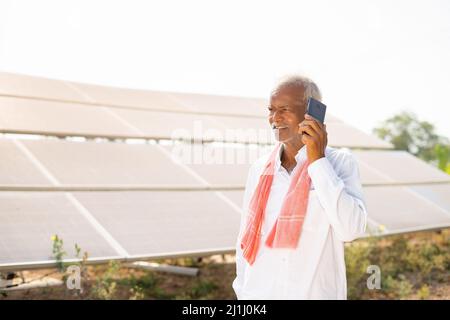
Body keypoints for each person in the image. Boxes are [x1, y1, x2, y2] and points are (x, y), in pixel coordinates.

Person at [232, 75, 368, 299]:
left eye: (284, 109)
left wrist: (317, 161)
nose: (274, 118)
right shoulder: (259, 169)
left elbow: (350, 230)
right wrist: (243, 294)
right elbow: (243, 241)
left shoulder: (340, 163)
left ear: (312, 113)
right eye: (270, 109)